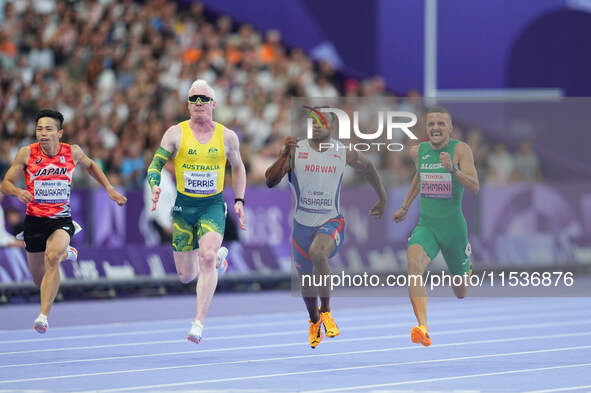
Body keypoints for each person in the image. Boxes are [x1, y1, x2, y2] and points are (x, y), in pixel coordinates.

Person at [265, 108, 387, 348]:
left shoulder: (343, 152)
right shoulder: (295, 150)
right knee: (306, 283)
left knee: (318, 252)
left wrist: (382, 198)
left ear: (332, 126)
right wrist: (284, 156)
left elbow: (369, 167)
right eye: (313, 121)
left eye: (323, 121)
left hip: (331, 220)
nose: (318, 125)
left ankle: (327, 311)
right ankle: (314, 320)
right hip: (301, 225)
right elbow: (270, 181)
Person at [0, 109, 127, 333]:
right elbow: (5, 184)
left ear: (60, 132)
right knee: (40, 282)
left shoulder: (73, 152)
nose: (43, 133)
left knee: (53, 256)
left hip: (60, 220)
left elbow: (91, 166)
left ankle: (43, 316)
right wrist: (18, 192)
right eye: (39, 129)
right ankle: (66, 254)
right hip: (34, 222)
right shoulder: (26, 154)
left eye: (48, 129)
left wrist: (109, 188)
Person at [147, 79, 246, 344]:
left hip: (212, 206)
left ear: (214, 104)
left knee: (207, 255)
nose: (199, 103)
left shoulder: (227, 136)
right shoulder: (175, 133)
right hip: (183, 208)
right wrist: (155, 186)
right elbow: (154, 166)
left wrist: (239, 199)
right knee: (186, 275)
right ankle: (218, 262)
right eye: (194, 99)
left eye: (204, 99)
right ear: (188, 105)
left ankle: (198, 322)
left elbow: (238, 167)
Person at [392, 106, 479, 346]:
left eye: (441, 124)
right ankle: (423, 327)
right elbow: (419, 177)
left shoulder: (461, 149)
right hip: (426, 226)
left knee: (460, 293)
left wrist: (453, 169)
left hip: (454, 230)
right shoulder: (419, 151)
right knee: (413, 265)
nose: (436, 128)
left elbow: (474, 186)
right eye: (431, 124)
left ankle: (466, 268)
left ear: (450, 128)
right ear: (426, 128)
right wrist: (406, 206)